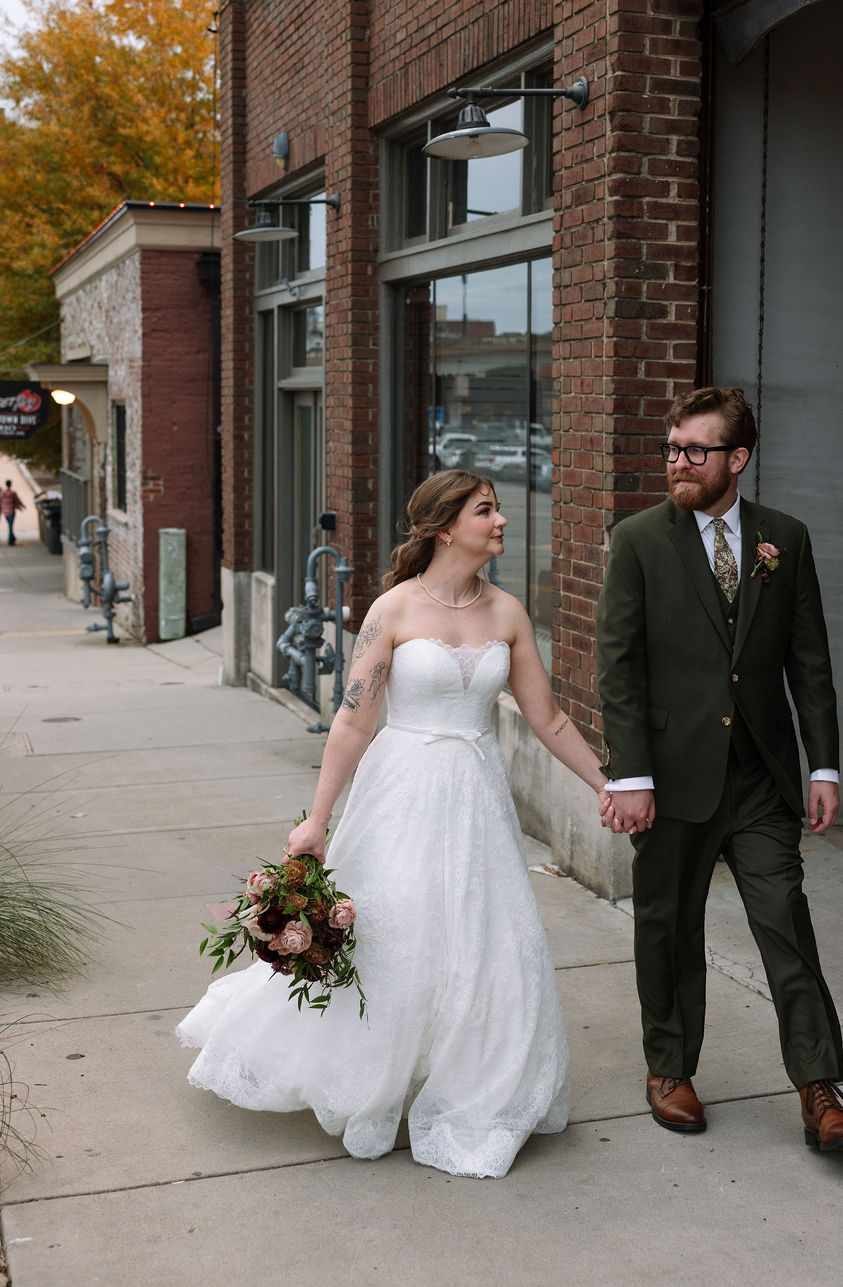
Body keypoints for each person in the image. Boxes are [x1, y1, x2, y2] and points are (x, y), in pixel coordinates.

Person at [179, 469, 609, 1178]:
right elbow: (354, 716)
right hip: (402, 786)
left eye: (498, 510)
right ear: (445, 527)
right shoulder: (394, 609)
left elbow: (549, 716)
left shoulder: (508, 612)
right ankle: (374, 1082)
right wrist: (317, 819)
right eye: (486, 510)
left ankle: (477, 1080)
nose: (501, 521)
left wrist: (604, 783)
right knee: (397, 931)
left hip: (476, 793)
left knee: (485, 935)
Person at [597, 385, 843, 1153]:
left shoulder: (785, 538)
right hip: (671, 774)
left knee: (785, 919)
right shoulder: (640, 539)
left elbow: (808, 661)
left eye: (695, 450)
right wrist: (631, 775)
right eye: (672, 448)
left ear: (737, 458)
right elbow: (617, 665)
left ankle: (820, 1089)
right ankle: (670, 1067)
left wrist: (824, 764)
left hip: (760, 777)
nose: (678, 462)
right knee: (670, 925)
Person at [1, 480, 25, 546]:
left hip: (5, 512)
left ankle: (12, 538)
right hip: (11, 511)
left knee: (10, 526)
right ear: (10, 485)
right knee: (10, 526)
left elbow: (1, 502)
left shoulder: (2, 493)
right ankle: (10, 541)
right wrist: (22, 506)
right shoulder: (12, 493)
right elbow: (17, 501)